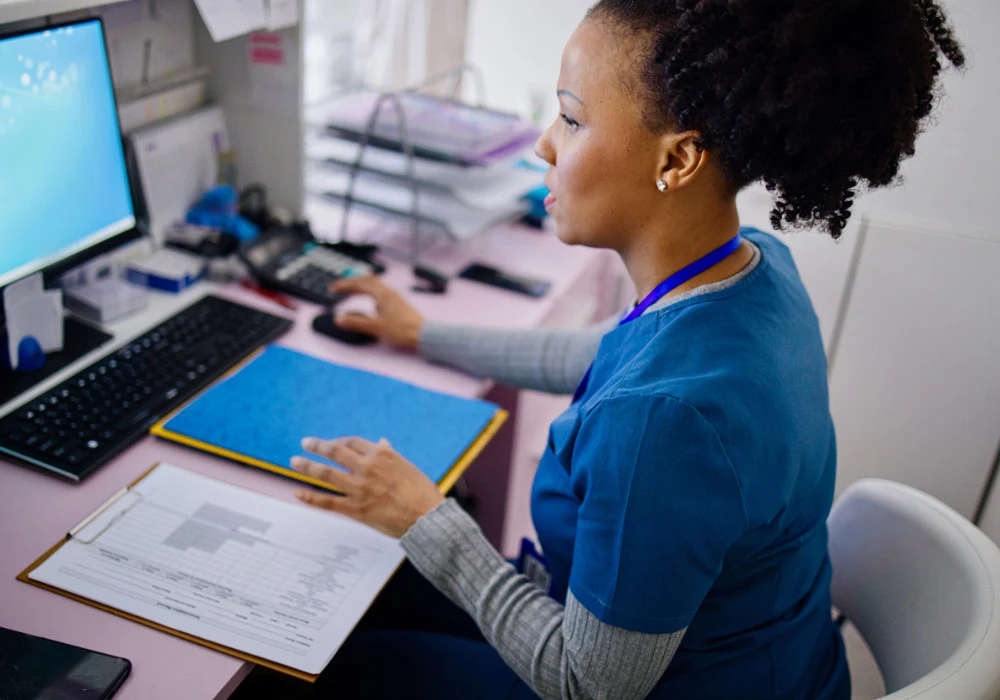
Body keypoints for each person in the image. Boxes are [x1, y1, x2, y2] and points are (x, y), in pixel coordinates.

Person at [284, 1, 965, 698]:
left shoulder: (663, 423)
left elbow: (587, 684)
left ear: (677, 159)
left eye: (572, 119)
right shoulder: (755, 269)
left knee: (319, 663)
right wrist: (423, 335)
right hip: (779, 665)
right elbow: (607, 354)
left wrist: (427, 517)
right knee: (361, 589)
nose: (544, 145)